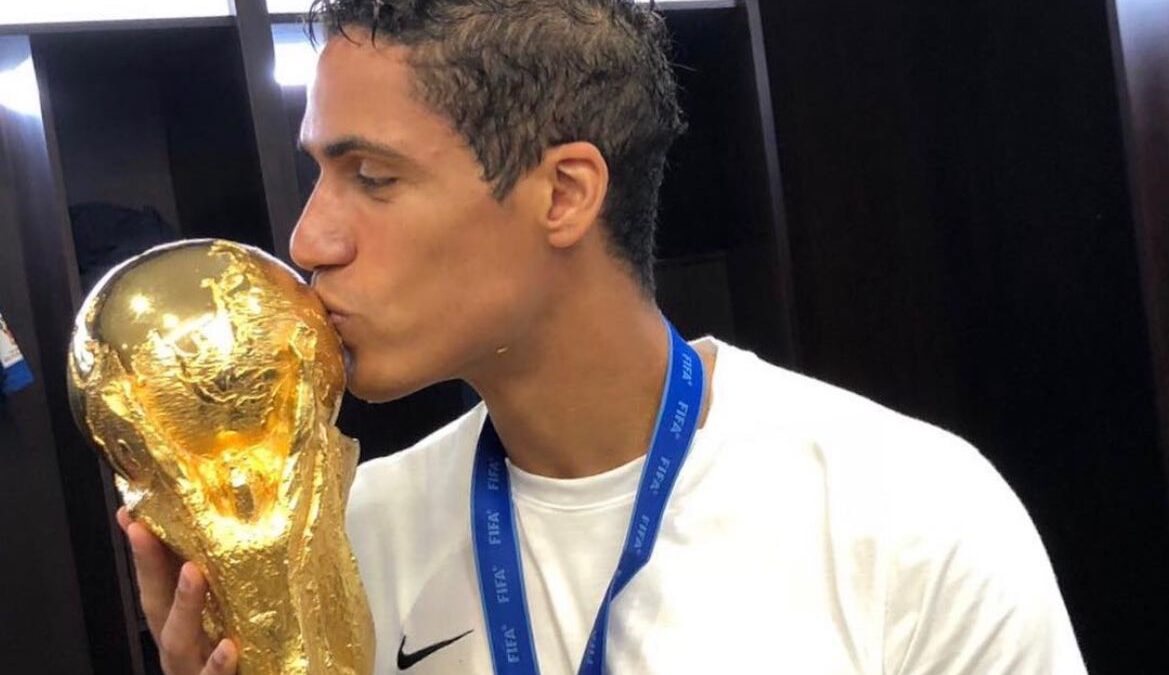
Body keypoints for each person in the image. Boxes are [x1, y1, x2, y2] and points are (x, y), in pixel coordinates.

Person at [117, 1, 1088, 673]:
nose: (307, 239)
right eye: (318, 176)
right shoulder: (353, 535)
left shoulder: (902, 511)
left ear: (565, 193)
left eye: (371, 177)